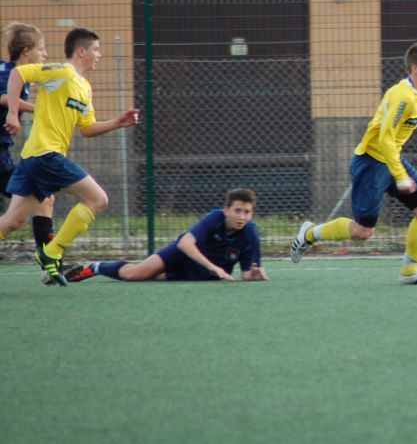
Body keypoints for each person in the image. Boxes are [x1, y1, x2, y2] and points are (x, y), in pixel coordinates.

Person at [290, 40, 417, 284]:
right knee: (363, 232)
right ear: (415, 69)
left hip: (392, 159)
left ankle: (410, 272)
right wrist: (400, 176)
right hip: (371, 162)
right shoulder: (401, 97)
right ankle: (310, 233)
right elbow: (386, 139)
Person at [0, 27, 140, 286]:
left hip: (33, 158)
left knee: (12, 220)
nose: (100, 55)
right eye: (96, 49)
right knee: (98, 199)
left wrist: (118, 122)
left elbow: (87, 129)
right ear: (81, 51)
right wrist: (12, 113)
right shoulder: (61, 72)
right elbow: (19, 73)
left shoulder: (84, 88)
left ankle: (50, 254)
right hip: (45, 155)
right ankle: (51, 252)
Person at [67, 188, 268, 283]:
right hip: (182, 254)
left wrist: (256, 275)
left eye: (247, 212)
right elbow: (186, 244)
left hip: (200, 275)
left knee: (150, 279)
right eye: (237, 211)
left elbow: (246, 274)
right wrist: (213, 267)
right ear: (226, 209)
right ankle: (94, 267)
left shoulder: (250, 233)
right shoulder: (214, 218)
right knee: (135, 275)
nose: (242, 216)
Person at [0, 23, 57, 254]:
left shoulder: (24, 76)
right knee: (39, 197)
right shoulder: (7, 72)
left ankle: (49, 260)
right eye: (41, 48)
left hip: (3, 154)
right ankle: (49, 260)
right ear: (26, 51)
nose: (45, 54)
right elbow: (3, 97)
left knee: (42, 199)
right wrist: (39, 108)